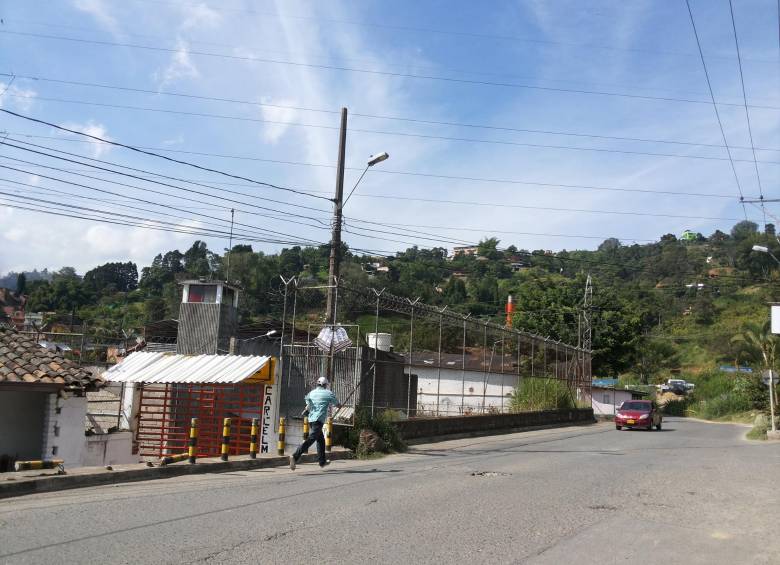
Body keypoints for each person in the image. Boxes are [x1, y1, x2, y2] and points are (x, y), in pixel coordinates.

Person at [290, 376, 341, 470]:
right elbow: (337, 404)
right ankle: (295, 456)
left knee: (321, 440)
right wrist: (339, 405)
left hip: (311, 420)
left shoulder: (311, 393)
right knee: (311, 439)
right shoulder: (328, 393)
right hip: (318, 420)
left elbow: (308, 403)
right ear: (325, 385)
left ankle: (322, 462)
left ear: (317, 384)